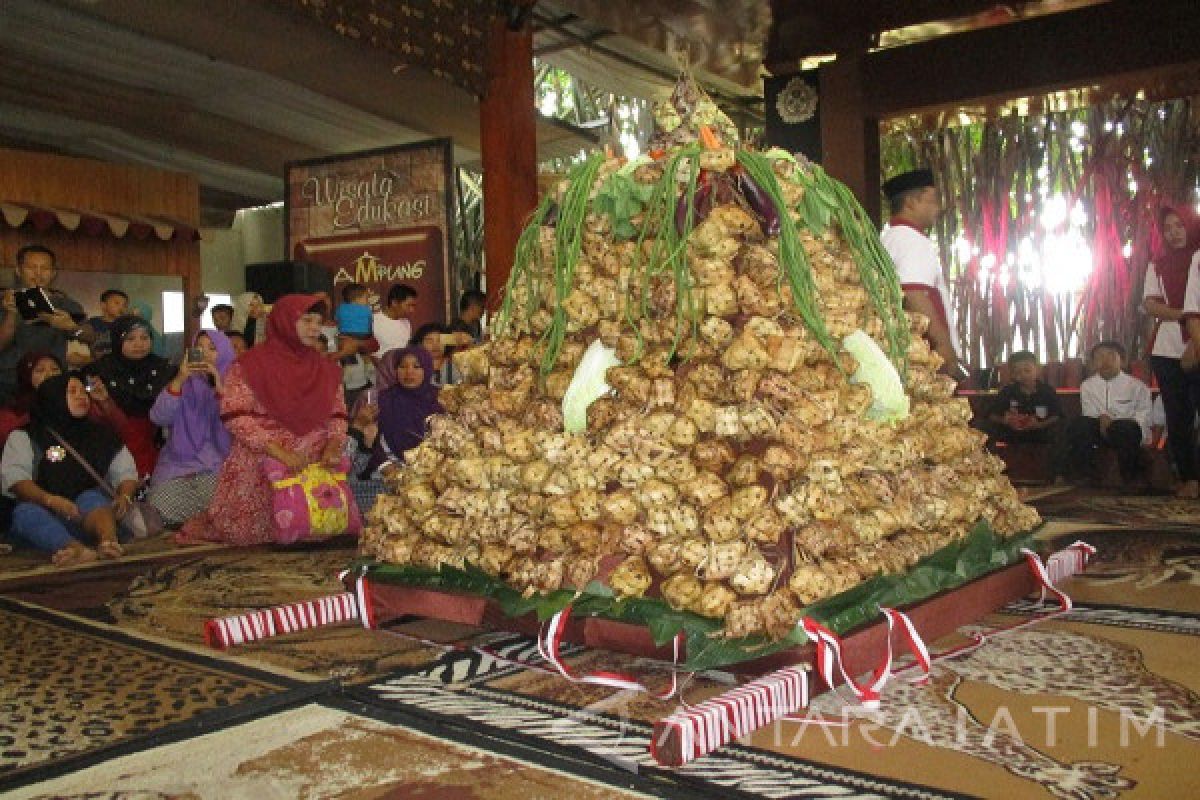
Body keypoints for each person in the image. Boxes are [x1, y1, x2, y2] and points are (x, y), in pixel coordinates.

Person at [175, 294, 347, 547]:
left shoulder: (327, 369)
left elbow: (337, 414)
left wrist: (333, 446)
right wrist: (279, 452)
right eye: (307, 320)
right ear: (285, 322)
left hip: (313, 457)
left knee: (322, 525)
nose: (314, 328)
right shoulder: (249, 365)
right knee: (249, 534)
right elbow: (236, 415)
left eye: (318, 322)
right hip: (264, 453)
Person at [1, 373, 139, 565]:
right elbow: (15, 480)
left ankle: (108, 542)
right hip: (45, 513)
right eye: (72, 391)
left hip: (89, 517)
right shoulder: (25, 436)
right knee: (25, 512)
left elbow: (125, 471)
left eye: (83, 391)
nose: (81, 396)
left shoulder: (100, 434)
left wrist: (124, 496)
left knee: (92, 497)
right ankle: (74, 549)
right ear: (54, 397)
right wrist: (50, 500)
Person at [880, 169, 965, 380]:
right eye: (933, 200)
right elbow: (915, 294)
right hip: (923, 356)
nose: (938, 207)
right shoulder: (910, 239)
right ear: (910, 202)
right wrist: (943, 347)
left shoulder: (890, 237)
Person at [145, 330, 234, 528]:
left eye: (213, 349)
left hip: (218, 467)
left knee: (226, 498)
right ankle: (206, 519)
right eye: (199, 349)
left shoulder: (236, 385)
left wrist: (219, 388)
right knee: (159, 504)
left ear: (225, 352)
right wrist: (180, 378)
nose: (205, 354)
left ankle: (203, 518)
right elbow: (158, 417)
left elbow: (237, 427)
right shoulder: (182, 383)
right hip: (179, 466)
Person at [1143, 206, 1200, 497]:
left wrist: (1194, 336)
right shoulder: (1158, 264)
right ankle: (1189, 477)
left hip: (1198, 344)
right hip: (1166, 350)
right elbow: (1151, 305)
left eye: (1180, 225)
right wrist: (1184, 316)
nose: (1174, 232)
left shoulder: (1198, 259)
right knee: (1177, 416)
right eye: (1168, 227)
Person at [0, 245, 95, 405]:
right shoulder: (5, 300)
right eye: (31, 267)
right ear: (18, 270)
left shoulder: (66, 305)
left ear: (53, 273)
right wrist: (11, 314)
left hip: (53, 383)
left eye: (44, 268)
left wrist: (71, 328)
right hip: (9, 383)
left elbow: (90, 337)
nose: (38, 273)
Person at [84, 315, 173, 478]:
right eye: (130, 338)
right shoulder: (98, 369)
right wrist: (95, 394)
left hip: (155, 441)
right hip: (114, 441)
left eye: (145, 337)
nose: (139, 344)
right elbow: (87, 395)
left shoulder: (163, 368)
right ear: (117, 341)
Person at [1066, 341, 1153, 484]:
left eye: (1111, 356)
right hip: (1099, 429)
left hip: (1126, 432)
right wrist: (1102, 419)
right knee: (1080, 424)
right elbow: (1089, 412)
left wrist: (1115, 423)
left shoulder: (1137, 386)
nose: (1105, 361)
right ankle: (1086, 475)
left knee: (1125, 428)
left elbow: (1143, 416)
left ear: (1123, 361)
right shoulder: (1087, 386)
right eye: (1099, 357)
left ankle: (1129, 478)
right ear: (1093, 363)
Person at [364, 346, 443, 476]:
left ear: (427, 369)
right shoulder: (382, 399)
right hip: (392, 470)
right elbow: (370, 440)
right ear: (395, 370)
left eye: (416, 367)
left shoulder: (442, 398)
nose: (409, 372)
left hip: (437, 472)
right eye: (402, 366)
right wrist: (386, 466)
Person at [979, 350, 1063, 445]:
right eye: (1017, 372)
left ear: (1038, 370)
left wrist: (1039, 425)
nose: (1023, 375)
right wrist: (1005, 420)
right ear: (1012, 375)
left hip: (1042, 438)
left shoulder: (1047, 391)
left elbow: (1057, 416)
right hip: (1012, 438)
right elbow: (991, 415)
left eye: (1027, 370)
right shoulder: (1007, 391)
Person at [373, 283, 417, 355]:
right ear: (394, 303)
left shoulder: (406, 323)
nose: (412, 310)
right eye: (408, 305)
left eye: (413, 306)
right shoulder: (373, 321)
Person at [412, 322, 459, 387]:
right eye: (429, 341)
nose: (435, 345)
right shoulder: (412, 366)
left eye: (439, 341)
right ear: (419, 344)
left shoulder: (455, 365)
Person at [87, 289, 129, 360]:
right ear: (103, 305)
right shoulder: (93, 323)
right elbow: (79, 334)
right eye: (117, 303)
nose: (121, 308)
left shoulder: (126, 325)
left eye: (124, 305)